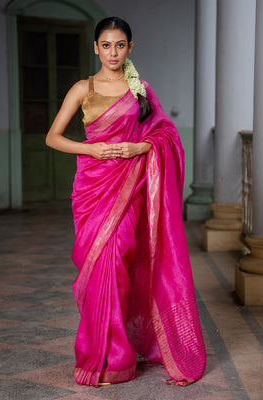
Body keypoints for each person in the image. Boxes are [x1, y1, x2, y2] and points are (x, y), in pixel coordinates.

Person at [45, 16, 206, 388]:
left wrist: (141, 146)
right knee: (98, 264)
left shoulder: (141, 89)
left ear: (129, 48)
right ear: (95, 48)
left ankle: (118, 357)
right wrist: (93, 149)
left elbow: (166, 133)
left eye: (120, 45)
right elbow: (53, 137)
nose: (113, 52)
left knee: (119, 261)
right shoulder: (82, 88)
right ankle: (96, 357)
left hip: (130, 187)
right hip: (92, 188)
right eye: (106, 45)